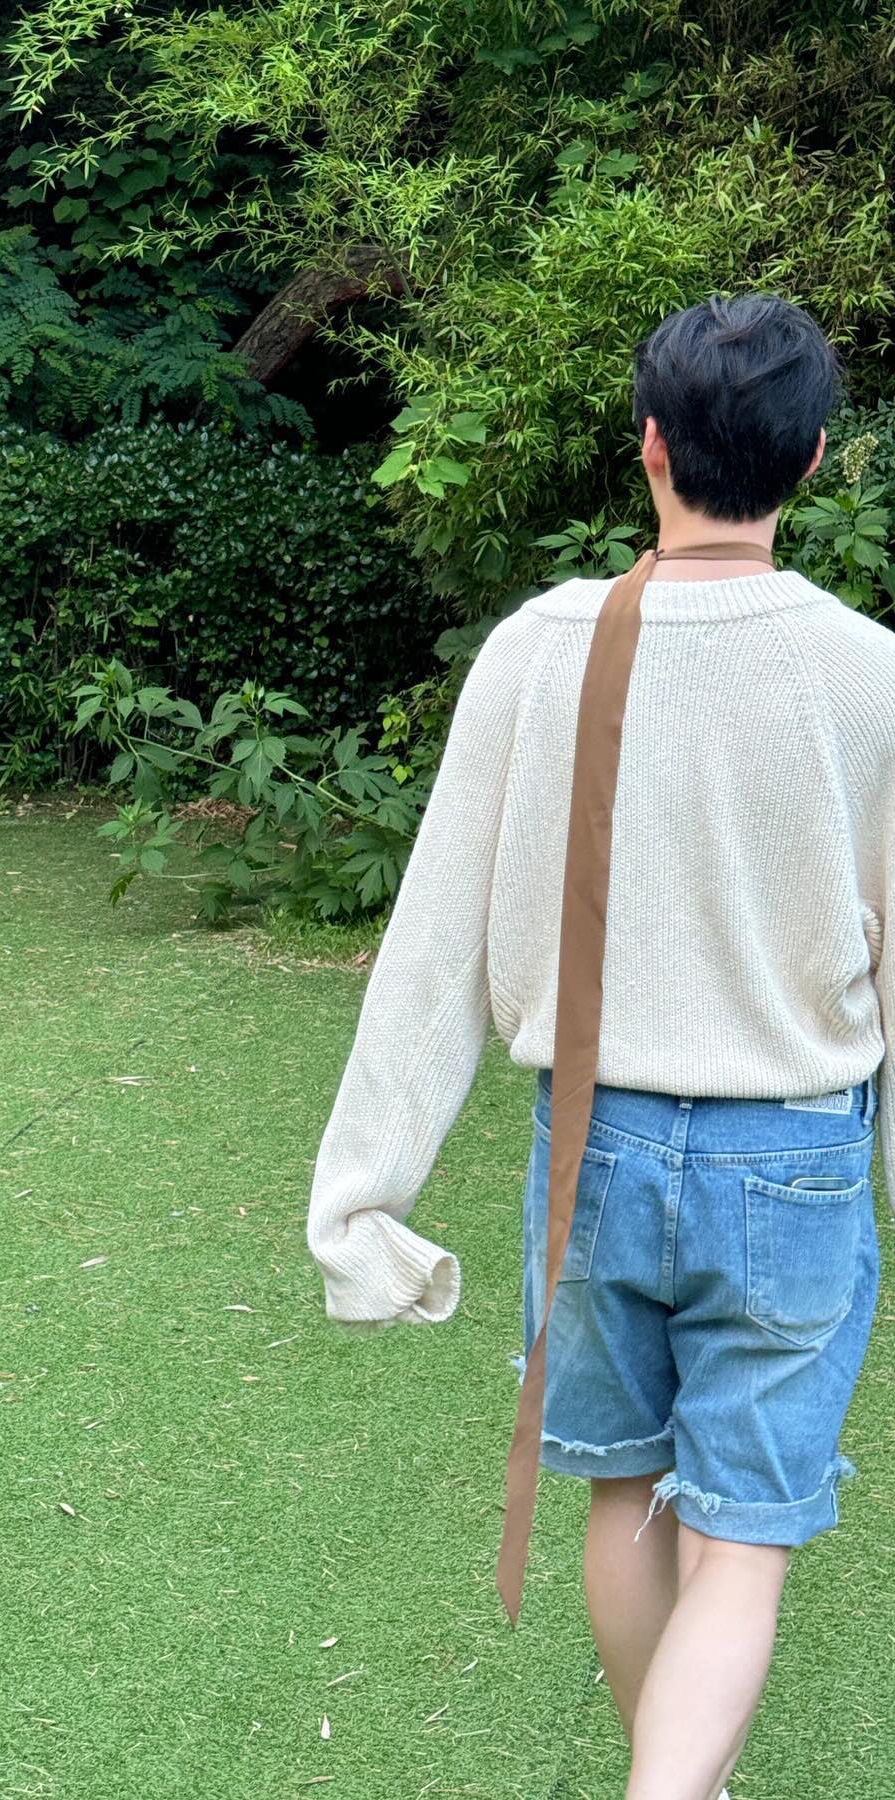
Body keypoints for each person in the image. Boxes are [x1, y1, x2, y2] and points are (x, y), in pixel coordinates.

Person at [305, 292, 895, 1799]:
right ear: (817, 457)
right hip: (794, 1157)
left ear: (647, 444)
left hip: (591, 1150)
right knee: (742, 1543)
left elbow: (436, 942)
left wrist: (360, 1195)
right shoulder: (869, 675)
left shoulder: (537, 648)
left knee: (622, 1503)